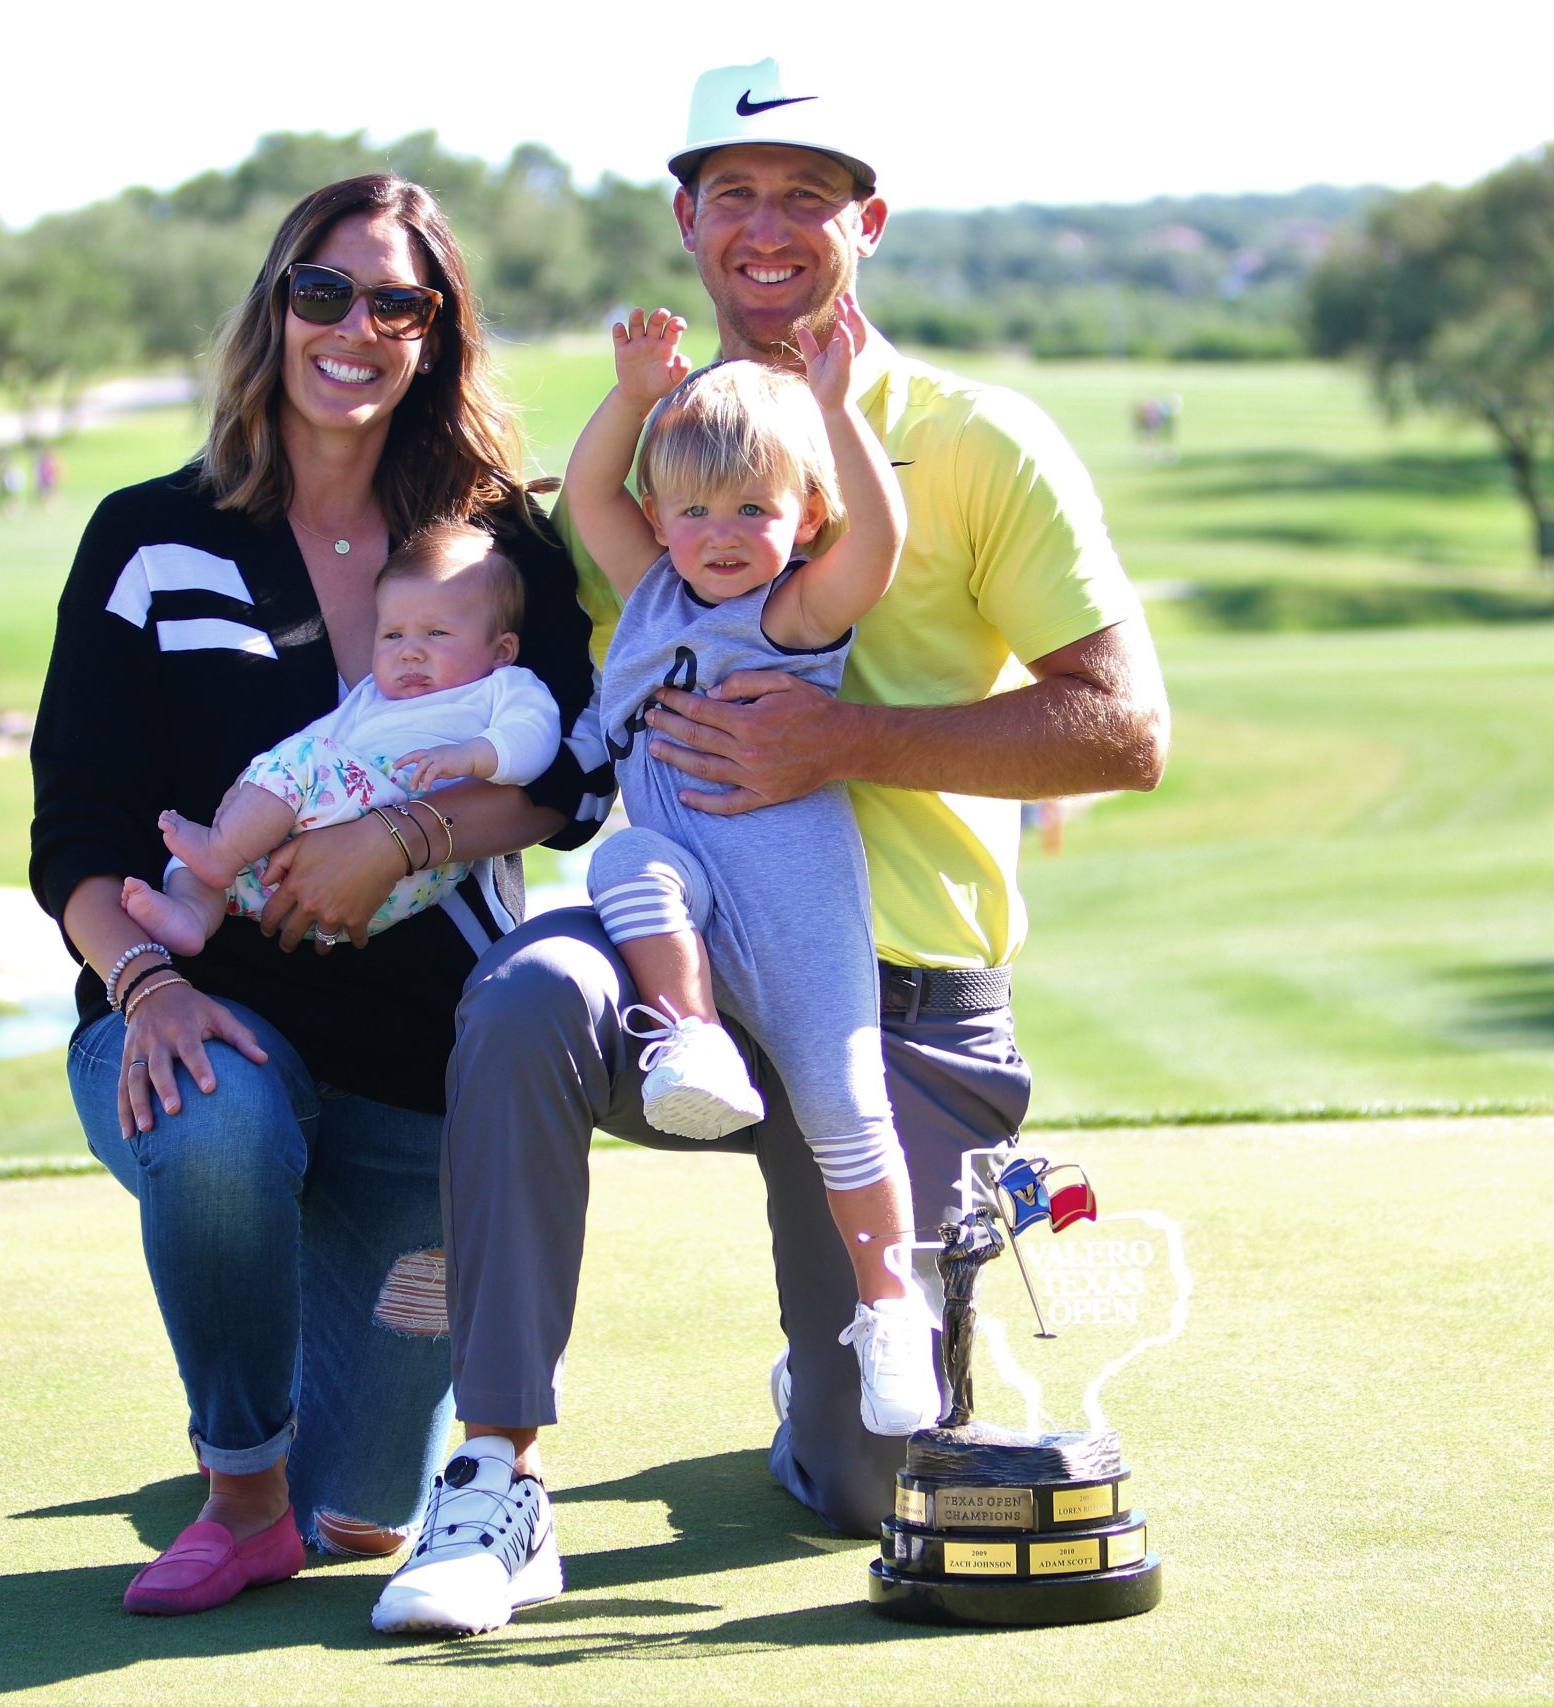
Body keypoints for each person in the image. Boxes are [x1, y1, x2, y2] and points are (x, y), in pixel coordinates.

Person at [371, 58, 1169, 1637]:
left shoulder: (975, 438)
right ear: (686, 218)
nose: (769, 225)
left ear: (867, 221)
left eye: (811, 192)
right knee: (530, 995)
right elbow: (523, 707)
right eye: (734, 190)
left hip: (906, 987)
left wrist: (849, 737)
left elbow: (1123, 732)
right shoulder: (655, 460)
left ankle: (829, 1374)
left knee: (875, 1475)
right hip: (673, 954)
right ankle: (497, 1472)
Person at [30, 173, 608, 1619]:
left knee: (370, 1510)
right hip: (210, 1014)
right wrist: (147, 982)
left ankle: (302, 1418)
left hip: (425, 1071)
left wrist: (402, 837)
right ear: (275, 305)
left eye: (399, 302)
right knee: (220, 1122)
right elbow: (77, 829)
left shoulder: (500, 545)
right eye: (324, 291)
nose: (357, 326)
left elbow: (579, 778)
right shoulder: (146, 536)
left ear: (439, 335)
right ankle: (235, 1492)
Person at [562, 302, 937, 1436]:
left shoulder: (793, 612)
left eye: (751, 509)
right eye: (691, 510)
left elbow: (879, 542)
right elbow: (587, 495)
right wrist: (634, 395)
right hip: (687, 884)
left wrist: (832, 409)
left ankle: (887, 1310)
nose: (718, 533)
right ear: (661, 521)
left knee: (842, 1104)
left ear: (802, 515)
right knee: (625, 861)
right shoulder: (655, 590)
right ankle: (690, 1033)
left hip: (791, 897)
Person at [122, 521, 562, 957]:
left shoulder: (501, 687)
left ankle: (219, 851)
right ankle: (192, 915)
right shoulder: (372, 694)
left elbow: (535, 742)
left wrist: (472, 756)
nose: (410, 650)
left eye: (436, 633)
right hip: (314, 868)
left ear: (501, 650)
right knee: (207, 856)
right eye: (393, 634)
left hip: (413, 845)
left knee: (293, 771)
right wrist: (253, 782)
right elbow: (318, 736)